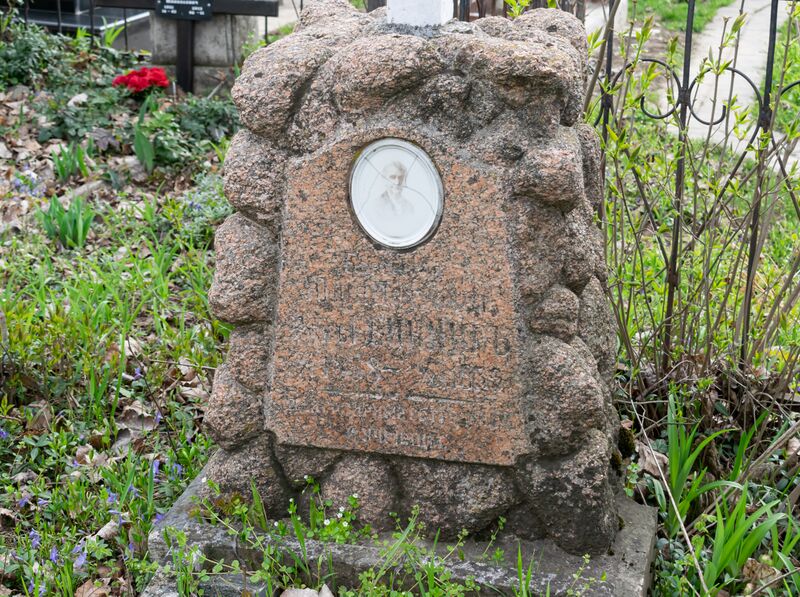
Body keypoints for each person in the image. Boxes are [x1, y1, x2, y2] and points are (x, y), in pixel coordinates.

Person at [363, 161, 419, 242]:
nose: (397, 182)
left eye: (401, 177)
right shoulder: (376, 205)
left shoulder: (409, 207)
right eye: (393, 177)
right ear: (384, 179)